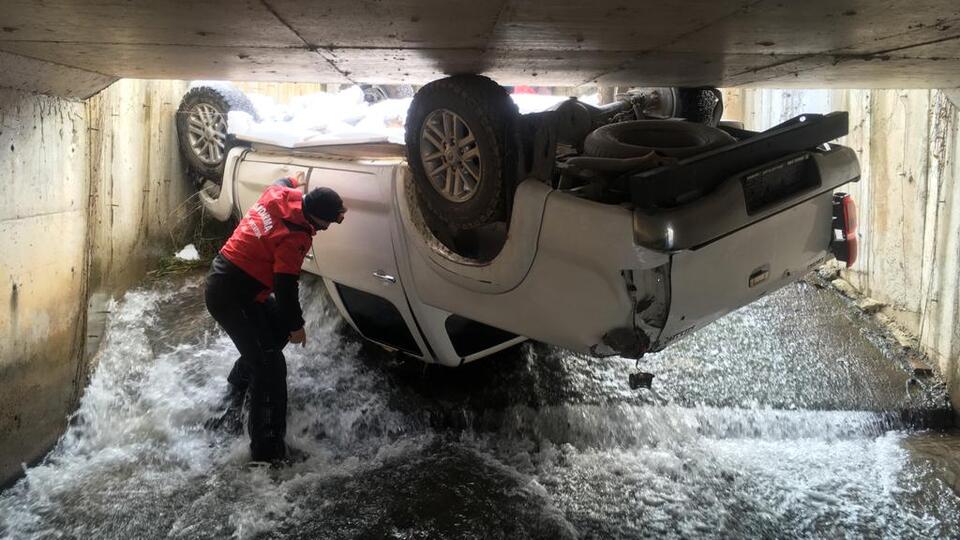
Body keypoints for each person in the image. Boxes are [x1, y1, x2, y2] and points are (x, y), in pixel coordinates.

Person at [204, 173, 346, 463]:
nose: (326, 228)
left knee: (275, 332)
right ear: (317, 219)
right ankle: (267, 452)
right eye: (328, 224)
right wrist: (297, 326)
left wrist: (295, 180)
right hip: (229, 297)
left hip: (237, 285)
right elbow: (284, 287)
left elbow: (284, 180)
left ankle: (236, 392)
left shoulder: (279, 194)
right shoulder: (294, 237)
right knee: (270, 365)